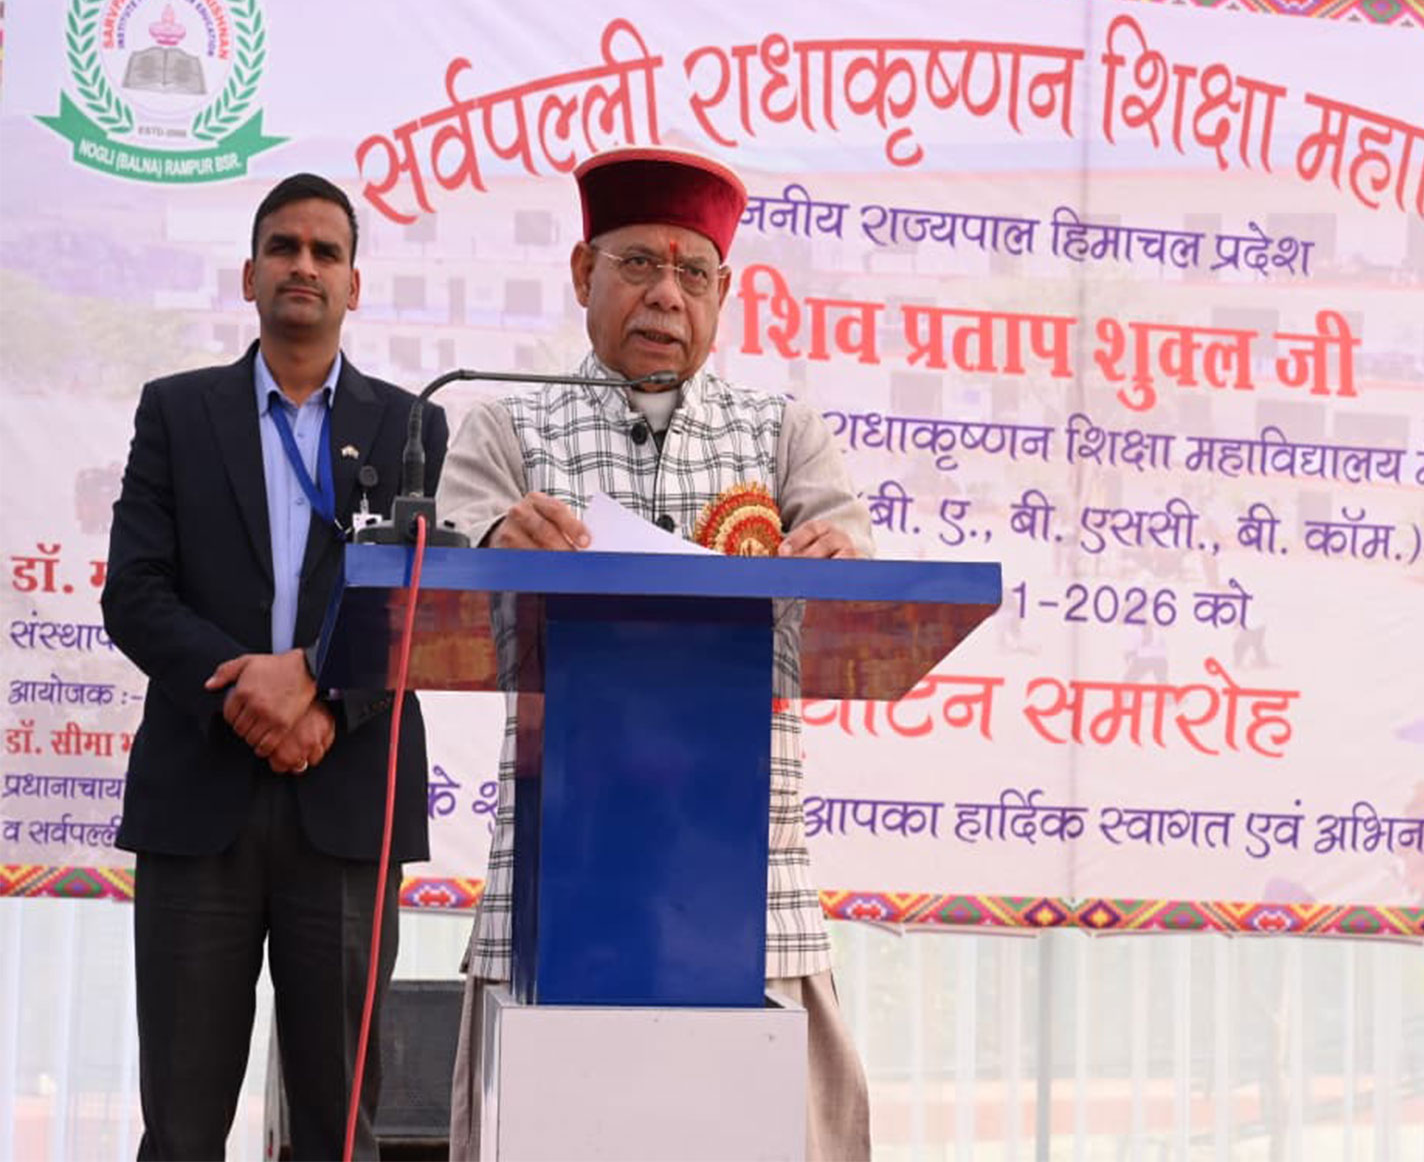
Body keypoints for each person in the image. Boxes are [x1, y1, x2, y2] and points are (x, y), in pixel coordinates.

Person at [437, 146, 874, 1160]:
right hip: (561, 870)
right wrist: (493, 534)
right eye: (637, 265)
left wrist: (837, 552)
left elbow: (849, 555)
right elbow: (441, 553)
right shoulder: (508, 426)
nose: (665, 296)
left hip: (747, 872)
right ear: (583, 274)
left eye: (693, 274)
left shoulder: (781, 432)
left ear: (725, 294)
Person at [101, 173, 448, 1159]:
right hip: (197, 797)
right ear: (250, 273)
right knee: (181, 1122)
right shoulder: (176, 412)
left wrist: (322, 698)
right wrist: (250, 690)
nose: (304, 265)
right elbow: (136, 592)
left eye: (325, 252)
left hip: (344, 803)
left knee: (341, 1127)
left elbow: (419, 609)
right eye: (284, 248)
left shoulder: (411, 428)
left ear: (354, 284)